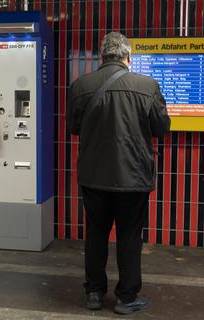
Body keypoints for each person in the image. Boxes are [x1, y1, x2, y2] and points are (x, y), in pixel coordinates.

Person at [66, 32, 170, 315]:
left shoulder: (81, 86)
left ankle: (94, 294)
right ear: (128, 57)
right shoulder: (147, 86)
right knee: (129, 237)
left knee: (96, 234)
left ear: (102, 56)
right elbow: (162, 128)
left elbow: (74, 128)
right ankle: (125, 297)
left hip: (94, 176)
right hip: (133, 177)